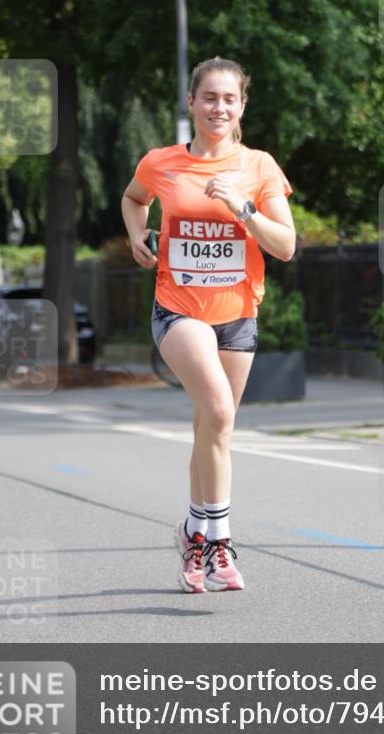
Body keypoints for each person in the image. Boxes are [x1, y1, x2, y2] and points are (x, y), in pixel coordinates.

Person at [121, 57, 295, 593]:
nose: (219, 107)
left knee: (211, 427)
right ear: (192, 103)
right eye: (209, 98)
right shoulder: (161, 162)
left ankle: (191, 534)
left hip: (238, 315)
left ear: (242, 106)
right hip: (179, 309)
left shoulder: (259, 167)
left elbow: (285, 246)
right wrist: (136, 235)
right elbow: (133, 198)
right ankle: (216, 544)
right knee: (218, 411)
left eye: (229, 99)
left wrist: (242, 207)